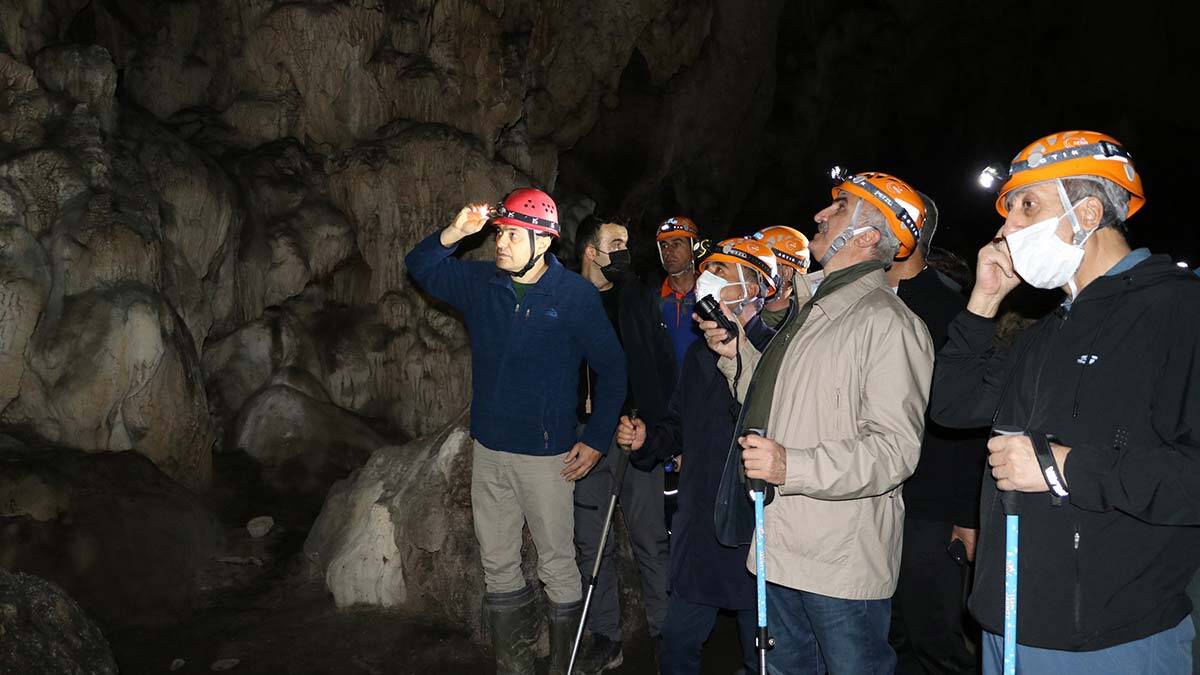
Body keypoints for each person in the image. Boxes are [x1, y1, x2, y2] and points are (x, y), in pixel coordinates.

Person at [931, 130, 1200, 673]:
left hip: (1111, 639)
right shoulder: (1046, 330)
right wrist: (983, 300)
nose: (1005, 230)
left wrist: (1064, 468)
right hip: (1008, 623)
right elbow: (952, 407)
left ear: (1089, 213)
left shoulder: (1178, 310)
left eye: (1027, 206)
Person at [703, 171, 935, 674]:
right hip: (781, 544)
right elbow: (779, 404)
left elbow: (894, 451)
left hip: (839, 565)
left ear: (868, 235)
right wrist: (736, 355)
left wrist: (792, 466)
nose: (821, 214)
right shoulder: (812, 311)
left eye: (840, 206)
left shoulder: (888, 323)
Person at [404, 189, 626, 675]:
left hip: (546, 459)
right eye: (500, 233)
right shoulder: (483, 284)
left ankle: (564, 666)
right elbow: (419, 265)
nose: (500, 243)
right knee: (498, 564)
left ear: (542, 242)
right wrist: (455, 232)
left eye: (512, 235)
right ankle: (515, 666)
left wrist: (595, 440)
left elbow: (613, 370)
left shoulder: (575, 297)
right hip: (489, 452)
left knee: (556, 565)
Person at [618, 237, 779, 674]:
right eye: (709, 269)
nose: (708, 278)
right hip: (698, 525)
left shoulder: (776, 352)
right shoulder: (697, 353)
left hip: (749, 528)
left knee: (760, 653)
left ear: (753, 287)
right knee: (678, 643)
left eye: (722, 272)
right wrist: (648, 440)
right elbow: (678, 424)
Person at [886, 191, 987, 674]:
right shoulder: (861, 302)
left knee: (933, 635)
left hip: (930, 506)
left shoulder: (946, 307)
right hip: (873, 497)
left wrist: (966, 515)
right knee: (891, 635)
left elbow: (969, 421)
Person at [571, 215, 669, 673]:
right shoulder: (567, 300)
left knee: (650, 538)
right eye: (615, 243)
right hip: (583, 436)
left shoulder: (635, 297)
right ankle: (606, 637)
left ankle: (667, 636)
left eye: (627, 242)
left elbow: (659, 365)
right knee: (592, 542)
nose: (624, 252)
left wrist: (656, 427)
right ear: (591, 252)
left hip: (633, 434)